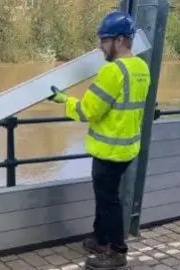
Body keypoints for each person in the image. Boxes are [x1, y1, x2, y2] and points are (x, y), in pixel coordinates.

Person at [47, 11, 151, 269]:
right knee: (107, 197)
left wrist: (65, 101)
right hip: (127, 148)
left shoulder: (112, 72)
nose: (100, 46)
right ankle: (100, 239)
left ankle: (116, 252)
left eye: (103, 40)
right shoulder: (141, 68)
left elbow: (88, 111)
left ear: (118, 41)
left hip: (109, 149)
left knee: (108, 201)